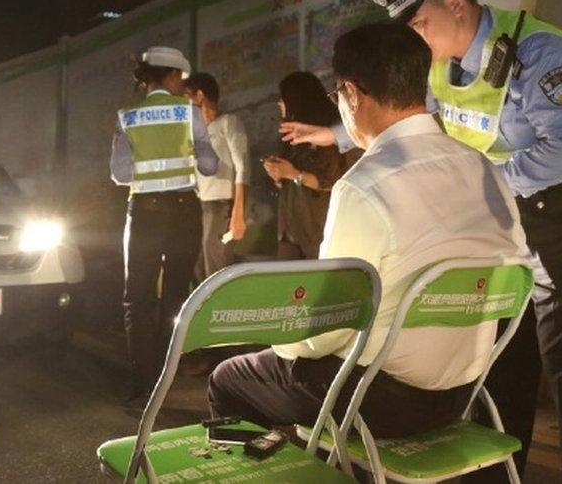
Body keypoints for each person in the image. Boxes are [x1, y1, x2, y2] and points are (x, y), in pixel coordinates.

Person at [279, 0, 562, 482]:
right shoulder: (443, 67)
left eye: (418, 23)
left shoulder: (539, 52)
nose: (415, 40)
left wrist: (483, 180)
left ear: (456, 2)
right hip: (501, 224)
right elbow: (412, 112)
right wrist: (337, 133)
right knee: (502, 369)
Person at [208, 23, 530, 442]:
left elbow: (329, 327)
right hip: (465, 393)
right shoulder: (484, 167)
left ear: (352, 95)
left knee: (229, 377)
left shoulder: (365, 185)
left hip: (379, 399)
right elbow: (517, 270)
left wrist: (282, 342)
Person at [110, 46, 218, 404]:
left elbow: (120, 173)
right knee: (175, 294)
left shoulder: (127, 116)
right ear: (172, 76)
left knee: (137, 298)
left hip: (144, 212)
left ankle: (142, 381)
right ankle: (167, 376)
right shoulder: (189, 112)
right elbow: (209, 166)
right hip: (184, 211)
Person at [263, 72, 343, 261]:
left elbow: (331, 181)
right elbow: (288, 179)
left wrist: (293, 174)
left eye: (283, 98)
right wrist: (278, 174)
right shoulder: (290, 134)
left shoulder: (329, 135)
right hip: (289, 230)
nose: (279, 103)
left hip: (315, 228)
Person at [183, 72, 250, 279]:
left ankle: (225, 311)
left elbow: (243, 168)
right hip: (199, 207)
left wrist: (238, 213)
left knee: (217, 271)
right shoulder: (193, 133)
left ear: (199, 95)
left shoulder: (228, 122)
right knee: (199, 270)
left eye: (187, 97)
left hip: (222, 207)